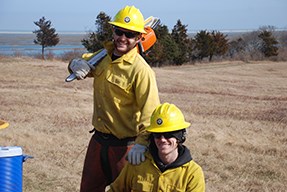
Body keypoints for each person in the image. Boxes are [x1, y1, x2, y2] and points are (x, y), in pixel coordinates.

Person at [68, 5, 160, 192]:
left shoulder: (141, 71)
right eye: (119, 31)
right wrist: (75, 64)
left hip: (126, 147)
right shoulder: (102, 58)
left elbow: (150, 114)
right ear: (113, 31)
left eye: (130, 35)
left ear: (138, 38)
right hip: (98, 141)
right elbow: (81, 63)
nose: (123, 38)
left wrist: (142, 145)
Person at [106, 103, 205, 192]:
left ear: (180, 137)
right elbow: (115, 190)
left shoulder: (192, 173)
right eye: (157, 135)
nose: (162, 139)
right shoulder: (137, 165)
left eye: (168, 134)